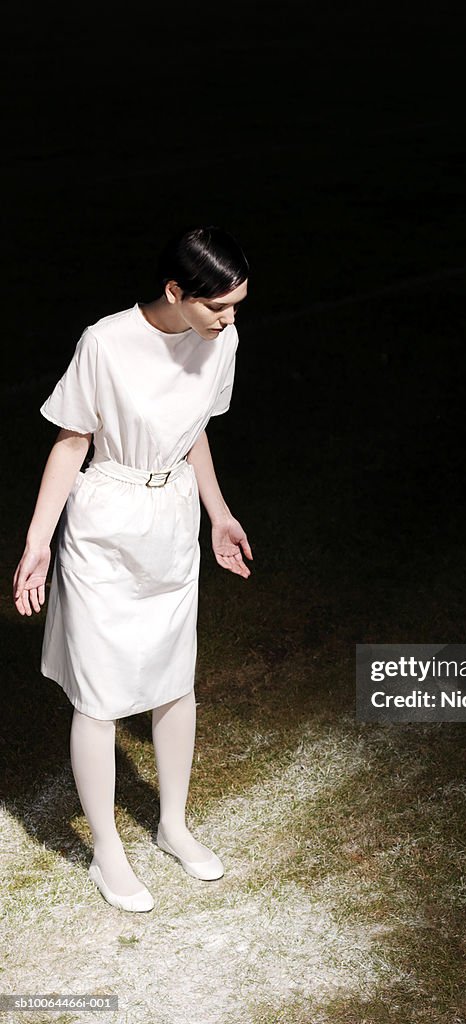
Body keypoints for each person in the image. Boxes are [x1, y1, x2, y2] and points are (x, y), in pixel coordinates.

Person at [12, 225, 253, 912]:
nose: (230, 318)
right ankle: (107, 852)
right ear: (177, 291)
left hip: (171, 522)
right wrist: (37, 541)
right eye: (218, 306)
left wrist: (219, 513)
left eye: (237, 305)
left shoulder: (221, 340)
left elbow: (195, 428)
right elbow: (71, 441)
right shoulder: (106, 341)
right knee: (99, 695)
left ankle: (173, 824)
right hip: (104, 527)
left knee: (175, 682)